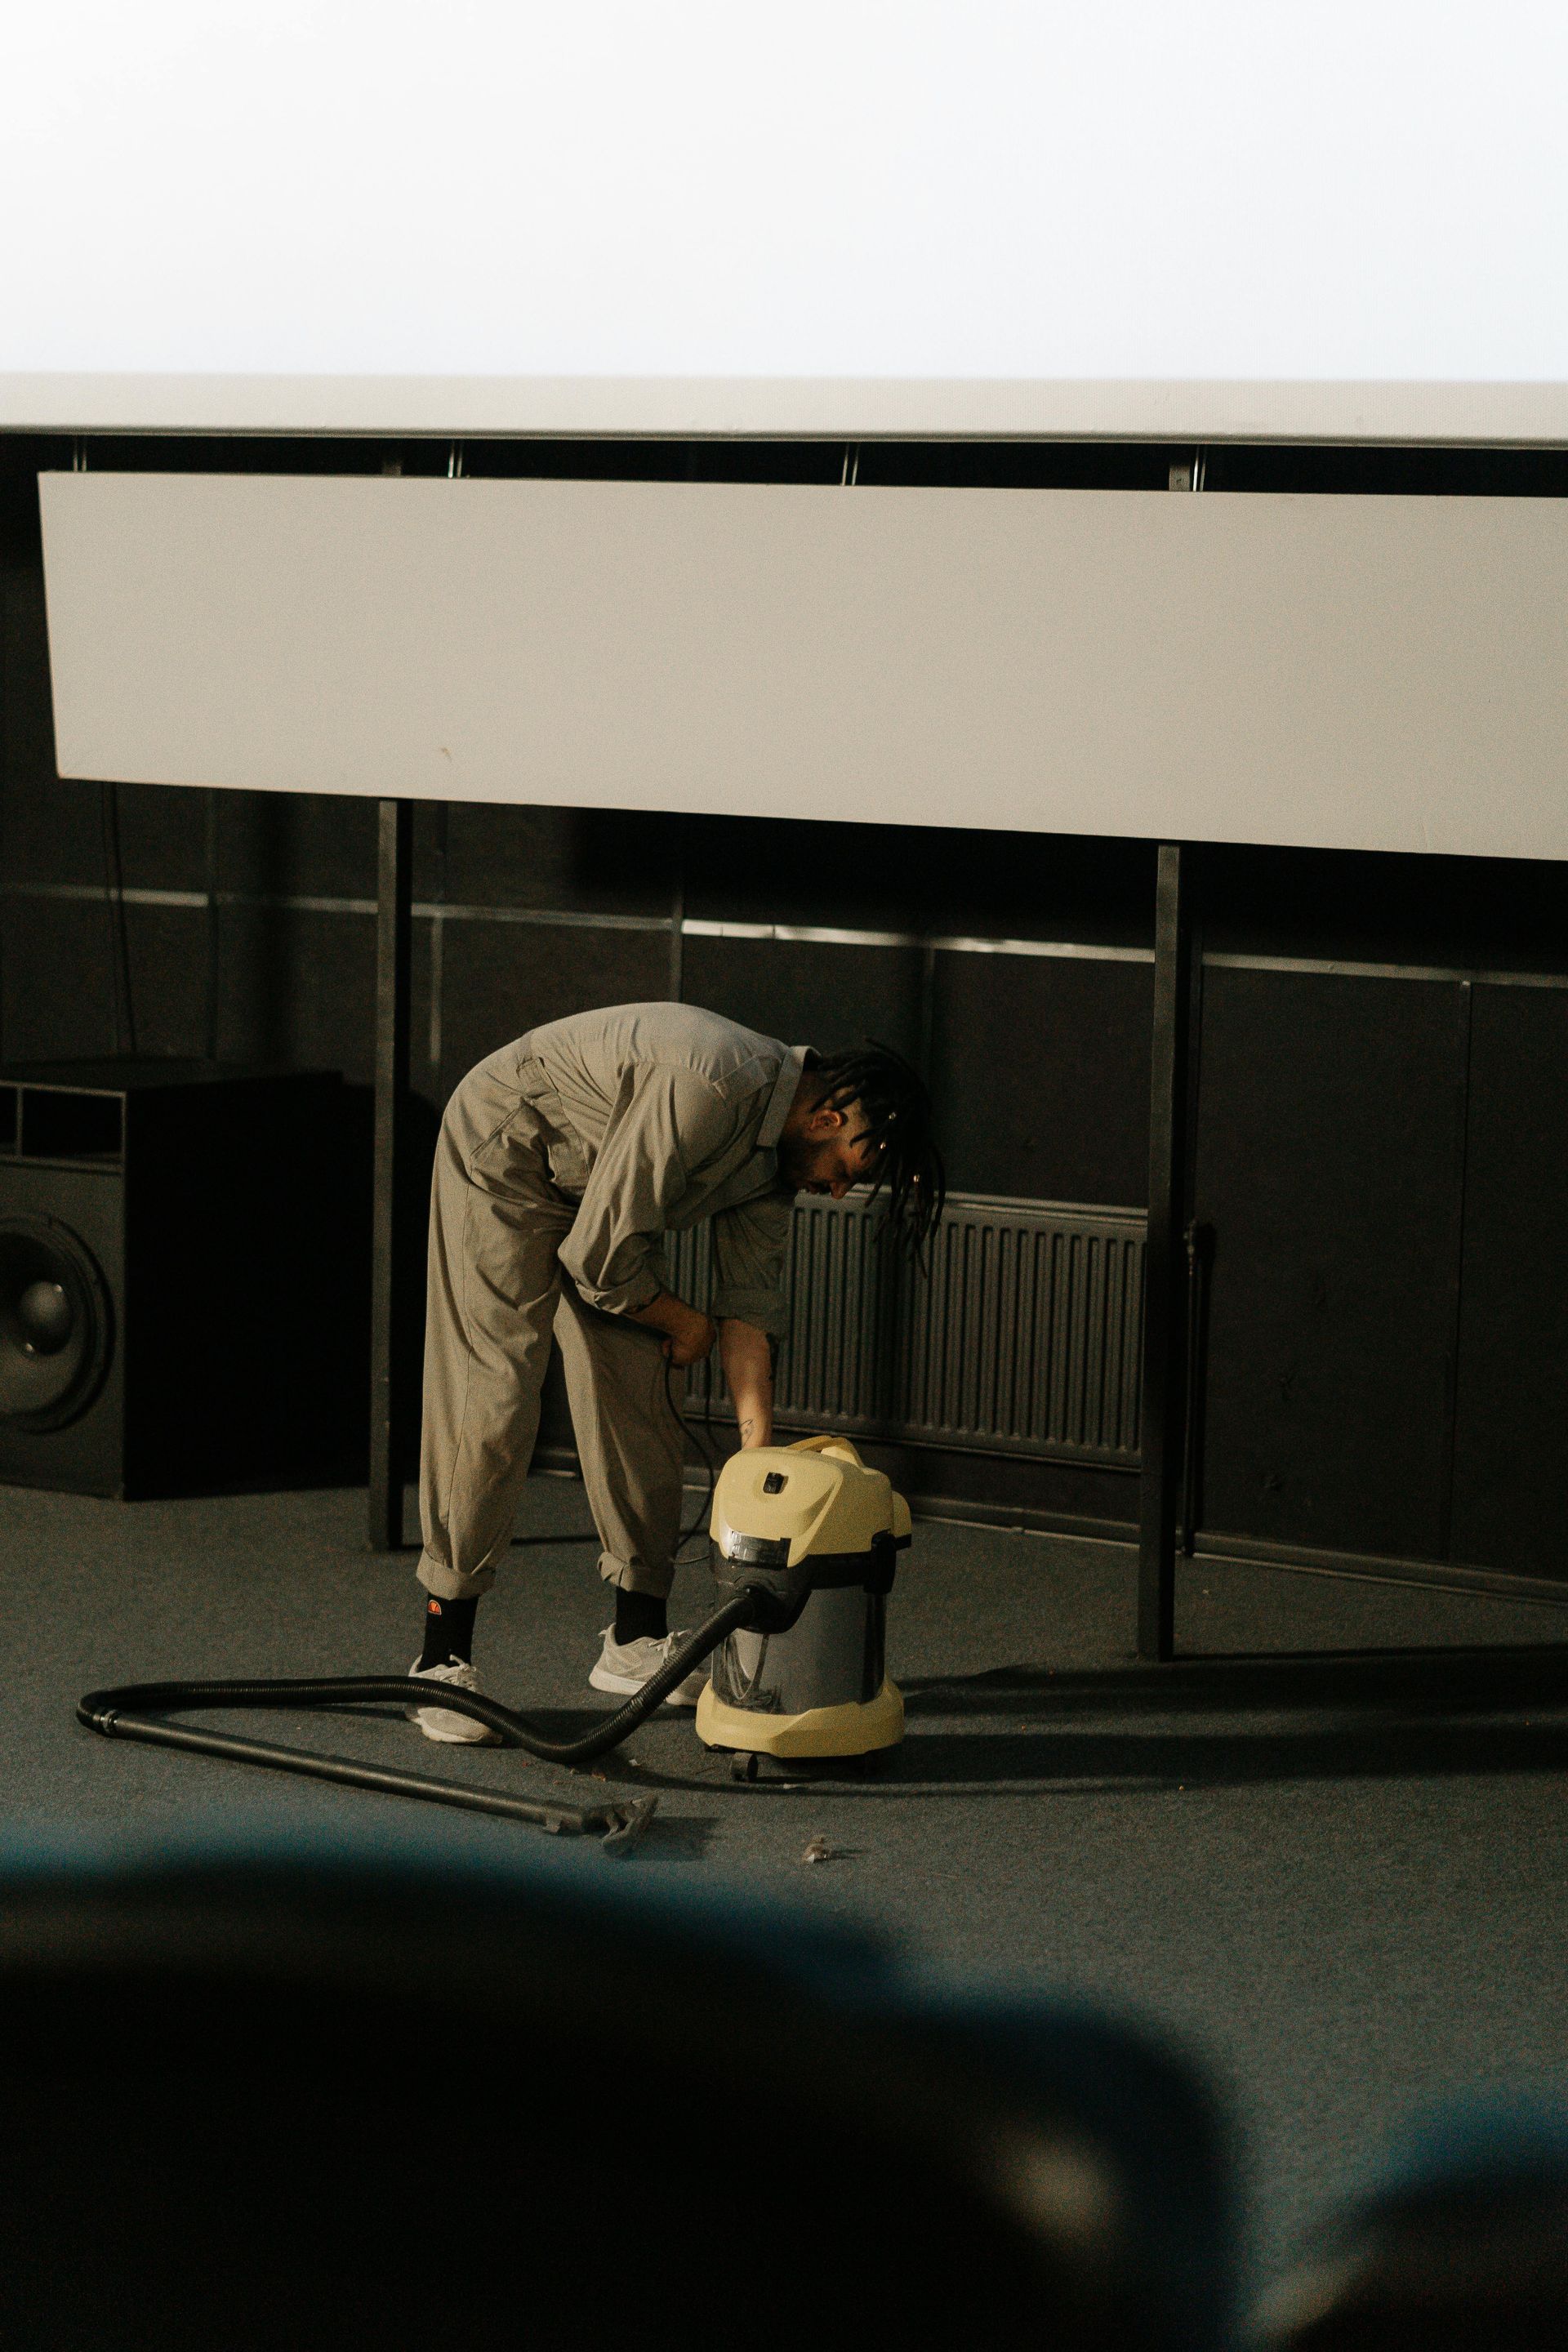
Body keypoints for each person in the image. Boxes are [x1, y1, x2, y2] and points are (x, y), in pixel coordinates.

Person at [407, 1000, 943, 1740]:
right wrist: (684, 1320)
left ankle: (635, 1639)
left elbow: (747, 1317)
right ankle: (442, 1658)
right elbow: (598, 1259)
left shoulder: (778, 1167)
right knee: (494, 1398)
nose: (842, 1190)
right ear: (826, 1120)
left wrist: (762, 1480)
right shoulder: (711, 1086)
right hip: (505, 1155)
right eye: (855, 1169)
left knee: (644, 1387)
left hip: (601, 1198)